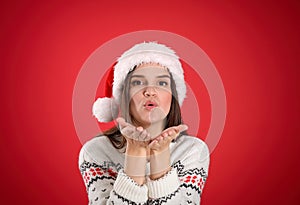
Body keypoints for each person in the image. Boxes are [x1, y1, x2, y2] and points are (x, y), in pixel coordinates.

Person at [78, 42, 210, 204]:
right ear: (124, 95)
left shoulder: (193, 151)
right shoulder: (95, 152)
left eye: (162, 83)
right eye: (138, 82)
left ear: (173, 96)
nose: (150, 91)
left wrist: (160, 157)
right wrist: (135, 153)